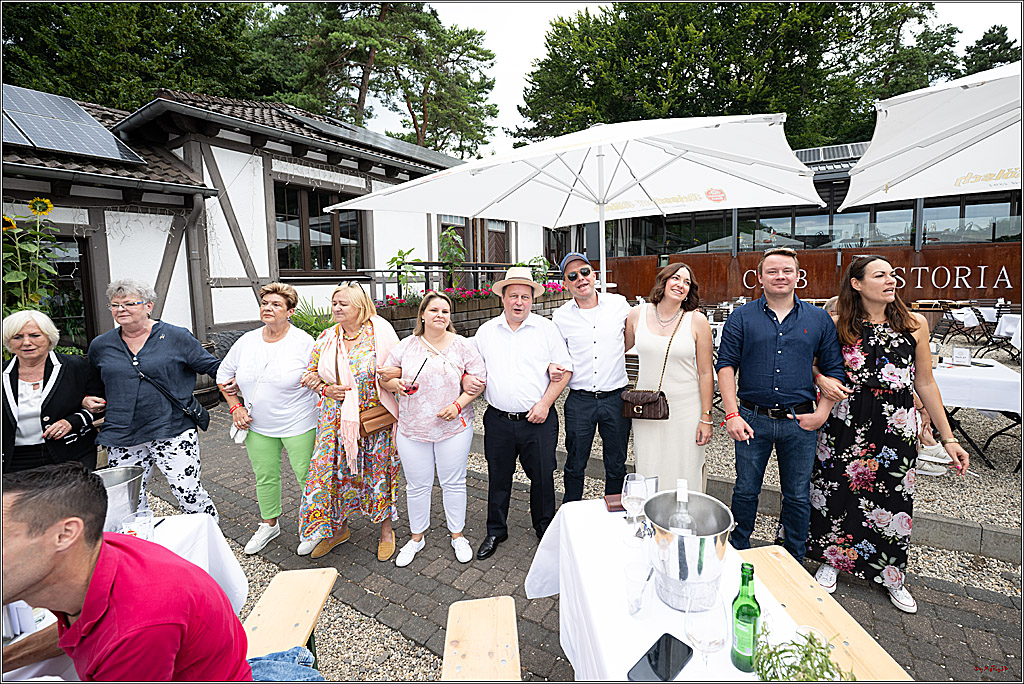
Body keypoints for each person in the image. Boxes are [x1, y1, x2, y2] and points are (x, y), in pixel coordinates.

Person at [807, 255, 969, 614]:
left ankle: (891, 574)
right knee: (836, 489)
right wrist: (821, 380)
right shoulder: (836, 324)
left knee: (893, 500)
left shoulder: (915, 324)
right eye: (880, 275)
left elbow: (925, 382)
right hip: (845, 419)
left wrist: (949, 438)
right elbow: (814, 364)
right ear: (857, 283)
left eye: (893, 275)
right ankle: (832, 559)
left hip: (894, 423)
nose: (891, 280)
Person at [0, 463, 252, 681]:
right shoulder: (96, 551)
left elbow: (120, 633)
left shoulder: (138, 628)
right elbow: (80, 632)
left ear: (65, 535)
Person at [715, 247, 844, 561]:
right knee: (745, 490)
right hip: (751, 419)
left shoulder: (819, 319)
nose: (780, 276)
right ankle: (737, 552)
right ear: (759, 278)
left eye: (787, 270)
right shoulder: (741, 317)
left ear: (799, 276)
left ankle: (794, 559)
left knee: (797, 496)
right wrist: (731, 414)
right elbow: (726, 366)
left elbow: (834, 371)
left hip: (800, 422)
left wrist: (821, 414)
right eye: (772, 271)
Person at [87, 279, 220, 521]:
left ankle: (210, 539)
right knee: (128, 500)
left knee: (188, 493)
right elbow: (93, 382)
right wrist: (87, 399)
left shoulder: (176, 336)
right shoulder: (101, 345)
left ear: (149, 306)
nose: (121, 310)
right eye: (115, 305)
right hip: (123, 434)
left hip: (172, 428)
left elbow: (213, 367)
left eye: (129, 304)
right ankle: (142, 548)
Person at [472, 266, 573, 560]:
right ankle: (495, 530)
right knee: (498, 476)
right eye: (513, 295)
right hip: (499, 419)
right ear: (503, 298)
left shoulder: (546, 329)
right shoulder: (486, 331)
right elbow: (471, 368)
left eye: (525, 297)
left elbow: (565, 370)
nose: (519, 302)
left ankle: (544, 528)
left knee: (542, 477)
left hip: (538, 420)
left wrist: (544, 404)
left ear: (532, 300)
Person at [380, 291, 486, 566]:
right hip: (413, 428)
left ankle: (457, 534)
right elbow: (385, 377)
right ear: (423, 315)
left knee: (453, 482)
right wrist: (395, 385)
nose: (440, 315)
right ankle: (416, 537)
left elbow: (479, 379)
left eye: (445, 311)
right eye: (434, 310)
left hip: (453, 427)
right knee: (417, 485)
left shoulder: (462, 345)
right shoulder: (407, 346)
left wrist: (458, 404)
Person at [298, 283, 400, 562]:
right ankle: (338, 530)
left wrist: (391, 377)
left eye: (343, 303)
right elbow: (307, 375)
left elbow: (399, 367)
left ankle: (386, 531)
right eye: (334, 303)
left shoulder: (380, 332)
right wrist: (324, 389)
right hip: (335, 421)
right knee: (336, 475)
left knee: (378, 473)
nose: (337, 308)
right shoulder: (327, 337)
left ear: (360, 306)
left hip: (374, 418)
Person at [217, 283, 318, 556]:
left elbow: (321, 375)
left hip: (299, 422)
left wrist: (317, 379)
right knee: (265, 477)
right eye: (265, 303)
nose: (268, 308)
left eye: (276, 305)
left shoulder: (303, 342)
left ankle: (316, 526)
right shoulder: (247, 341)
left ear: (290, 311)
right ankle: (269, 524)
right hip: (257, 425)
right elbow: (223, 376)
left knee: (306, 477)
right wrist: (235, 407)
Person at [625, 263, 715, 492]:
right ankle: (650, 518)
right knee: (649, 464)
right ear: (663, 281)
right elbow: (618, 351)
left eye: (687, 282)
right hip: (646, 406)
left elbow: (705, 373)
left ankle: (684, 521)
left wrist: (706, 417)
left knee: (685, 466)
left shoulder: (697, 321)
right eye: (676, 278)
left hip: (685, 408)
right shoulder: (637, 314)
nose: (681, 285)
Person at [551, 252, 633, 502]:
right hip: (580, 400)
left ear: (594, 275)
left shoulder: (619, 304)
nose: (581, 279)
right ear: (566, 284)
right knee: (575, 462)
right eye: (572, 276)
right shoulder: (560, 316)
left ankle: (614, 513)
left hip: (616, 398)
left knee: (617, 462)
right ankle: (572, 512)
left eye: (585, 272)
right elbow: (558, 355)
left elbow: (627, 341)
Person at [3, 311, 104, 472]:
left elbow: (103, 403)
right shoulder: (3, 374)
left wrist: (72, 421)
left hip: (72, 454)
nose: (27, 342)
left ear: (49, 337)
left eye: (35, 335)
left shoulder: (75, 367)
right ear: (8, 341)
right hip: (14, 462)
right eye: (17, 337)